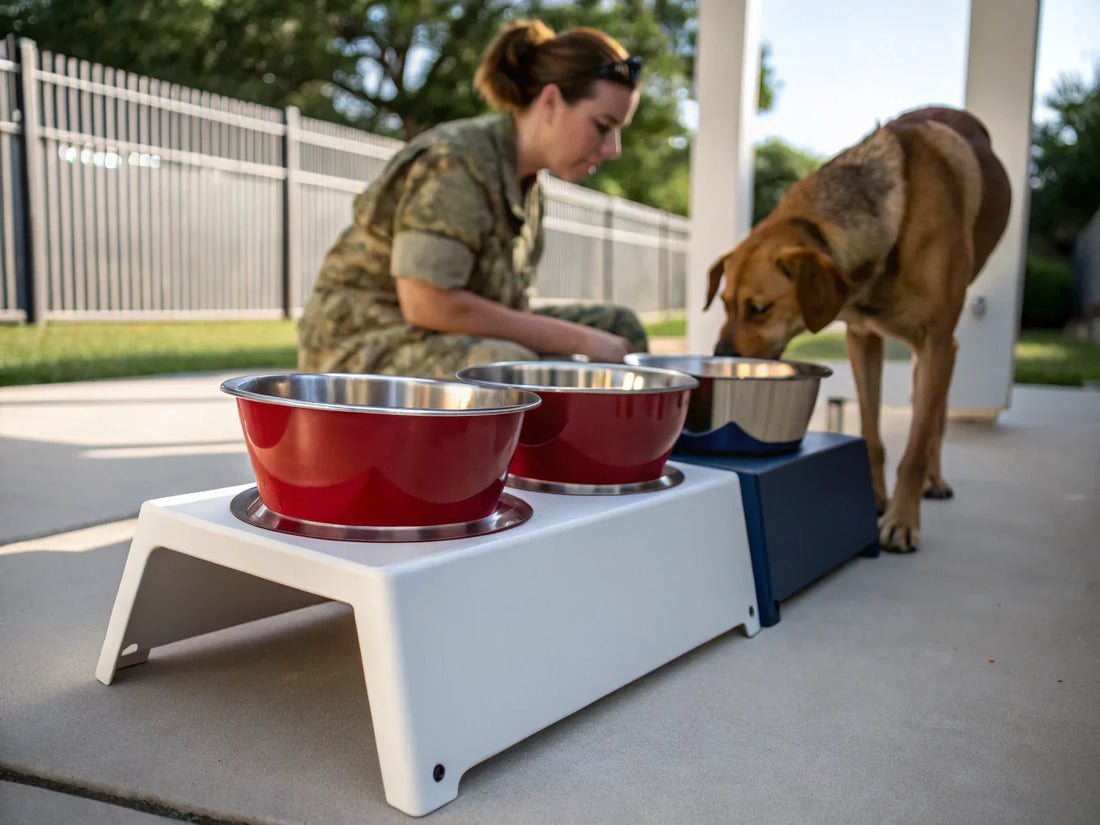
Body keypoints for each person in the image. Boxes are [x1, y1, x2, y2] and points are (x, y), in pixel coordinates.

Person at [297, 19, 650, 380]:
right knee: (505, 364)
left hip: (441, 340)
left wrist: (588, 340)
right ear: (550, 102)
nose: (613, 149)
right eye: (603, 125)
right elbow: (427, 303)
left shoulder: (528, 184)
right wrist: (581, 341)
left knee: (618, 327)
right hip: (358, 350)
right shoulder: (457, 160)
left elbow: (512, 308)